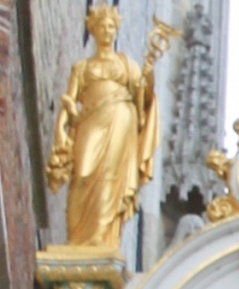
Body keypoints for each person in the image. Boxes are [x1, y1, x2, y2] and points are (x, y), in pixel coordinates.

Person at [47, 6, 178, 253]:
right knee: (83, 173)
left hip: (120, 120)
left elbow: (144, 97)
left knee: (110, 174)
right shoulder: (82, 67)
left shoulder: (126, 63)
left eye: (111, 27)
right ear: (93, 30)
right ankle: (78, 238)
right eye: (102, 27)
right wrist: (62, 129)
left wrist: (147, 78)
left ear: (116, 30)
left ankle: (103, 239)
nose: (106, 31)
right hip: (90, 120)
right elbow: (69, 101)